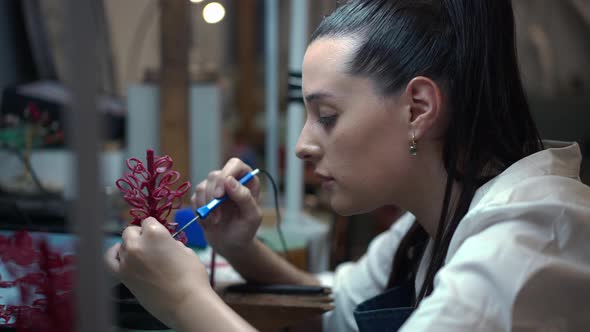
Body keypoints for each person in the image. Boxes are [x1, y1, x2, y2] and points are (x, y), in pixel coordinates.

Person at [105, 0, 590, 331]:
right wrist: (241, 248)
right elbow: (338, 306)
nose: (301, 146)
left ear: (418, 109)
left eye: (328, 116)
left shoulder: (528, 240)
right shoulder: (425, 228)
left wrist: (186, 300)